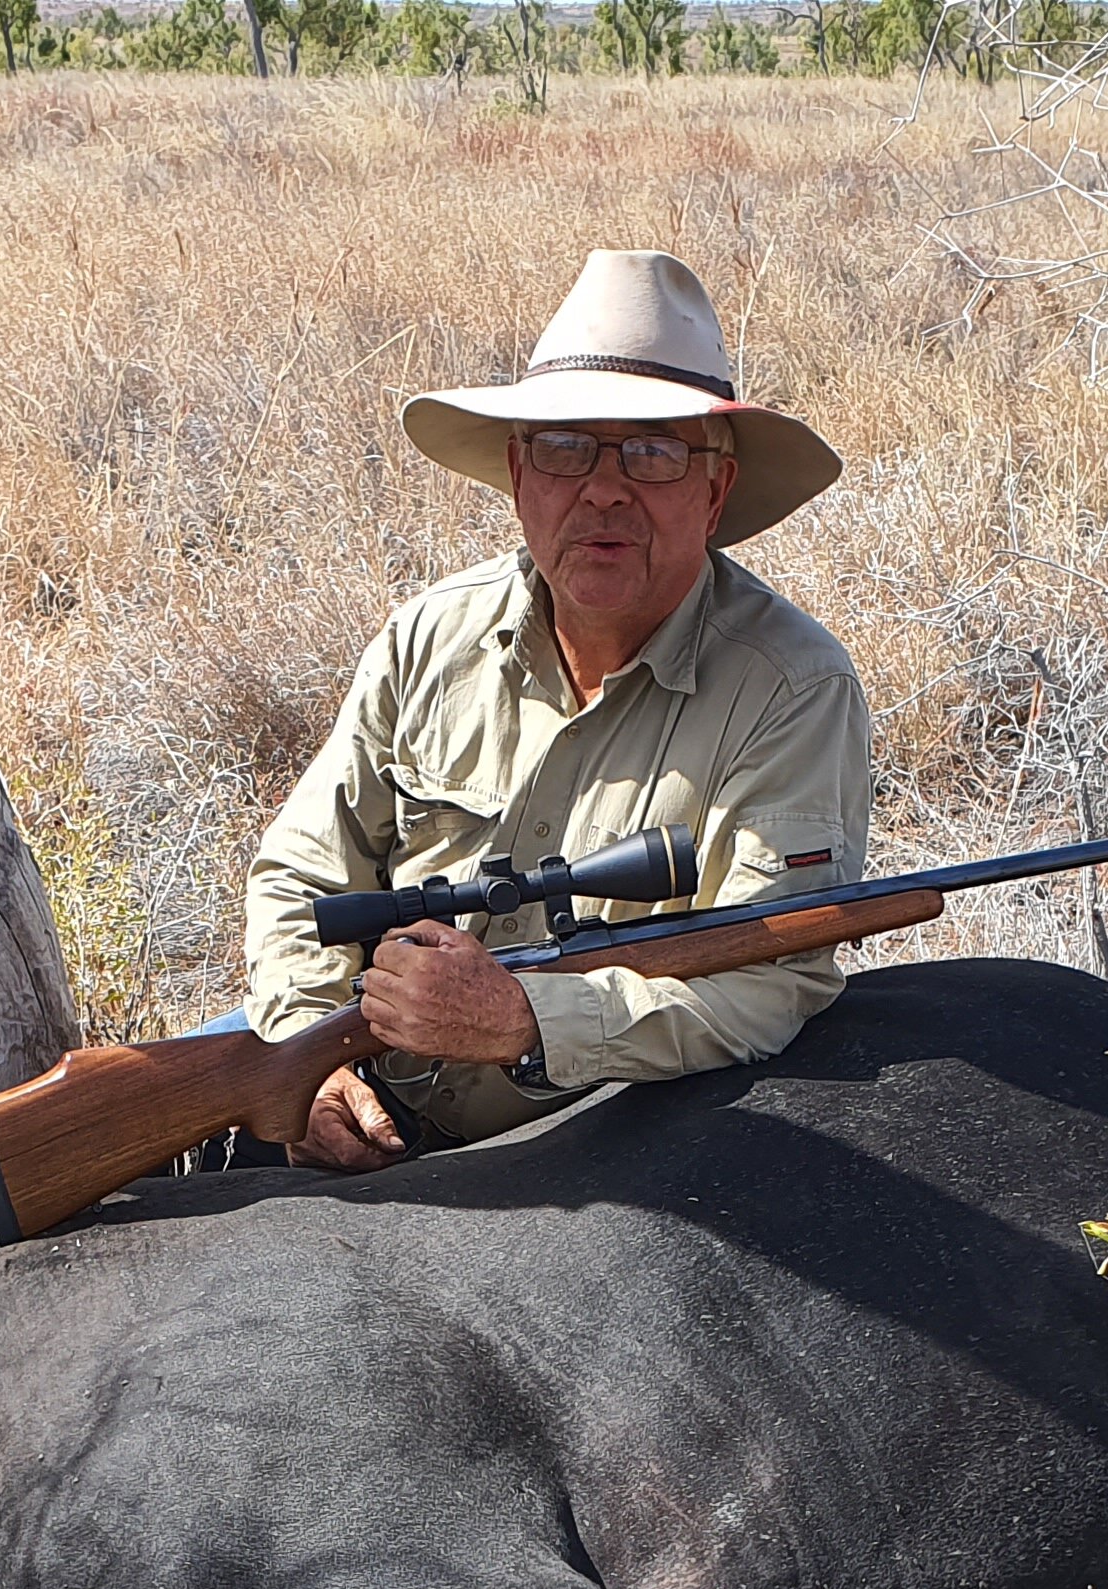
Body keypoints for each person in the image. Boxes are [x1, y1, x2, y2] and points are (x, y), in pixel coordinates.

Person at [243, 249, 876, 1168]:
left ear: (717, 490)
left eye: (655, 451)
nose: (605, 488)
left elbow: (767, 984)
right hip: (360, 1081)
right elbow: (303, 878)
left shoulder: (793, 689)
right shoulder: (430, 636)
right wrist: (305, 1061)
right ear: (517, 473)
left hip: (589, 1136)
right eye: (565, 446)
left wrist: (525, 1021)